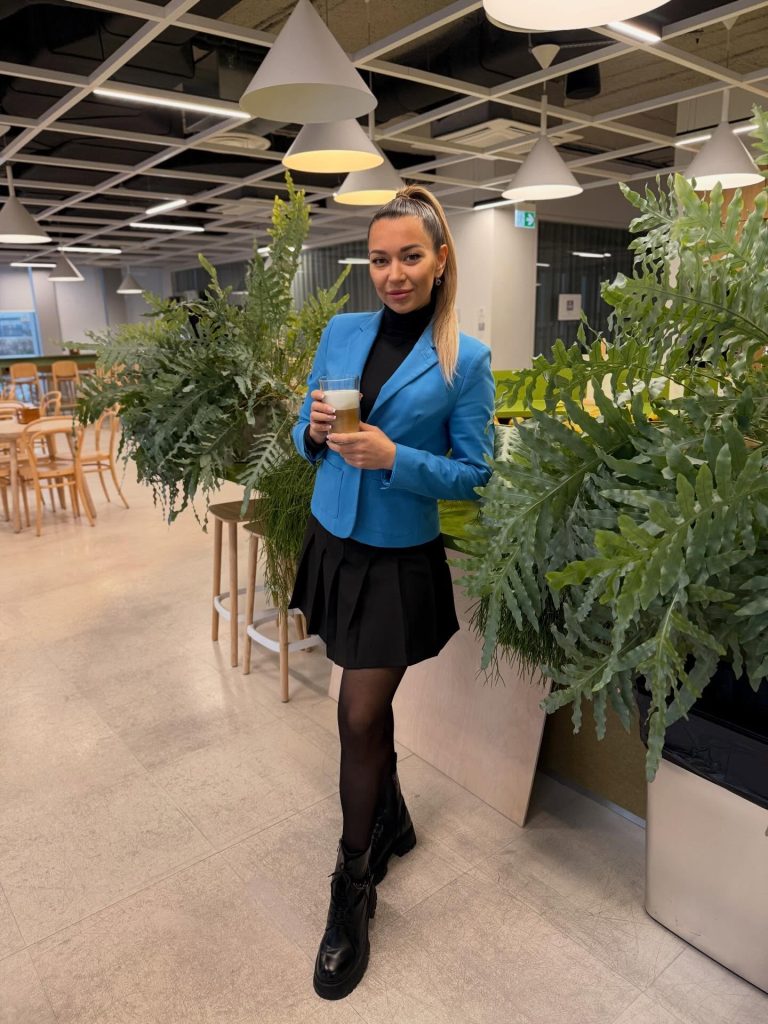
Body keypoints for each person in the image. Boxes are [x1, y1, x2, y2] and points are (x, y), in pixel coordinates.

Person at [290, 184, 495, 1000]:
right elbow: (308, 435)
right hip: (333, 538)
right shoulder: (342, 331)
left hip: (397, 557)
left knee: (356, 713)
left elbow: (476, 476)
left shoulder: (464, 361)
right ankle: (395, 818)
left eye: (411, 255)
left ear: (442, 260)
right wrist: (311, 434)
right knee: (363, 710)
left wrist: (396, 460)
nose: (393, 273)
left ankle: (352, 887)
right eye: (380, 258)